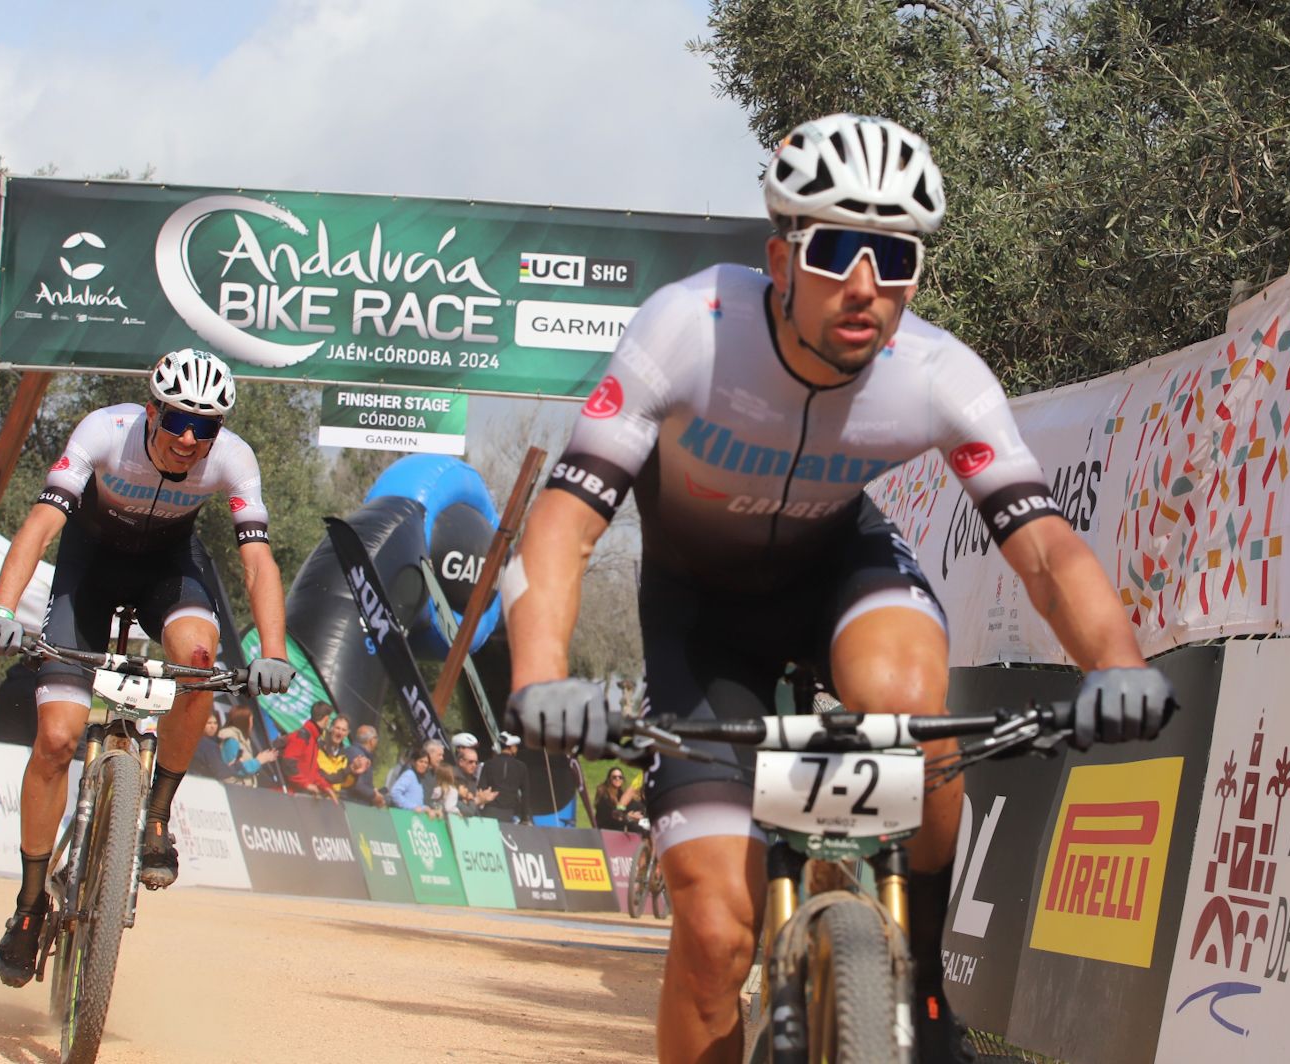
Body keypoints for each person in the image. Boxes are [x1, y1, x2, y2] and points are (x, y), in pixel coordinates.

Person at [501, 114, 1177, 1063]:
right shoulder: (688, 330)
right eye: (838, 251)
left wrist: (1115, 663)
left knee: (910, 705)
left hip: (838, 573)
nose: (867, 286)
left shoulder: (940, 374)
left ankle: (929, 982)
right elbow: (564, 523)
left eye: (895, 258)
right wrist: (540, 677)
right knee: (714, 936)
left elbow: (1045, 547)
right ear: (780, 259)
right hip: (700, 620)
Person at [0, 348, 295, 989]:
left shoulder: (233, 459)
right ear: (152, 410)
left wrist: (274, 650)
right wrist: (2, 607)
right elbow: (41, 524)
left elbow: (257, 562)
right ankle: (31, 903)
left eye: (205, 427)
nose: (188, 438)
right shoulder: (104, 431)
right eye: (178, 419)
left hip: (168, 571)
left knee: (201, 663)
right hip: (88, 571)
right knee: (59, 739)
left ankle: (154, 815)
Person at [279, 701, 338, 799]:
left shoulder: (313, 739)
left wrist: (326, 787)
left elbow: (313, 772)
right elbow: (288, 764)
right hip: (289, 797)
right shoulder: (303, 737)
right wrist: (306, 784)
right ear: (326, 719)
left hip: (299, 797)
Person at [475, 732, 530, 823]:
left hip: (490, 810)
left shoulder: (489, 764)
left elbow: (481, 788)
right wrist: (524, 817)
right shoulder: (521, 767)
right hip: (510, 813)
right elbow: (525, 794)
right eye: (516, 746)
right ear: (512, 747)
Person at [387, 745, 433, 813]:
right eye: (421, 761)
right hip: (403, 816)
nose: (423, 765)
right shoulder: (409, 775)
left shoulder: (419, 779)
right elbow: (395, 793)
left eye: (426, 763)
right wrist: (411, 807)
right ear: (414, 762)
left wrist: (426, 809)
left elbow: (417, 804)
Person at [315, 712, 352, 788]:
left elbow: (345, 785)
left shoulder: (344, 756)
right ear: (331, 728)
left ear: (347, 733)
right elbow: (326, 777)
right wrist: (350, 769)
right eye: (337, 728)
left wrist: (355, 773)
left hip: (333, 797)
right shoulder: (318, 748)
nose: (339, 732)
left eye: (343, 730)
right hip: (317, 796)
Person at [593, 768, 633, 832]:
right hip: (605, 831)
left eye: (620, 777)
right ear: (609, 779)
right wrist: (627, 817)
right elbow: (610, 815)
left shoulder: (622, 795)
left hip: (618, 832)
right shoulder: (604, 794)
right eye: (614, 777)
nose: (617, 779)